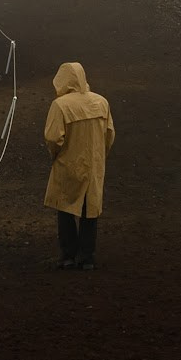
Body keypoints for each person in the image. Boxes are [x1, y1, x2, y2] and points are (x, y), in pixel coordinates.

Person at [42, 61, 115, 269]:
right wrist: (100, 157)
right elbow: (109, 135)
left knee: (64, 207)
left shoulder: (61, 105)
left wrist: (55, 157)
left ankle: (68, 255)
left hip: (69, 163)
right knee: (89, 210)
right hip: (93, 164)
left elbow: (53, 138)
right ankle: (87, 257)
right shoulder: (101, 103)